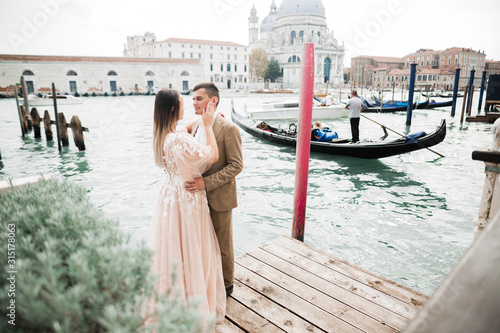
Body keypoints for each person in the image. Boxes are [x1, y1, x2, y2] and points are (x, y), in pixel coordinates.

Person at [148, 89, 226, 325]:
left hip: (169, 196)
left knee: (173, 247)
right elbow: (211, 155)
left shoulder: (163, 134)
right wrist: (209, 126)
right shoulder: (179, 139)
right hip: (187, 198)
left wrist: (200, 120)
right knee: (192, 247)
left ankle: (174, 298)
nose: (186, 107)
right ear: (173, 109)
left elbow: (184, 127)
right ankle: (194, 303)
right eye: (182, 104)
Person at [185, 83, 244, 298]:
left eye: (198, 98)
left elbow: (236, 165)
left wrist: (206, 183)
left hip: (220, 196)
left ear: (213, 101)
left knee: (223, 242)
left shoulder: (229, 128)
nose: (194, 102)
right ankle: (208, 280)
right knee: (202, 241)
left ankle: (227, 286)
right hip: (197, 198)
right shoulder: (197, 125)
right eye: (193, 99)